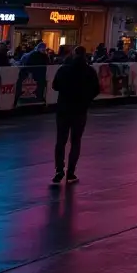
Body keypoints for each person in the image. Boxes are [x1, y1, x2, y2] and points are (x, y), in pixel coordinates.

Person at [50, 45, 99, 185]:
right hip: (80, 110)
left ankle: (59, 170)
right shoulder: (89, 71)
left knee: (61, 141)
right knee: (76, 141)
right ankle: (71, 172)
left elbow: (55, 86)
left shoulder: (64, 69)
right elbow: (96, 89)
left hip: (63, 109)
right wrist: (86, 100)